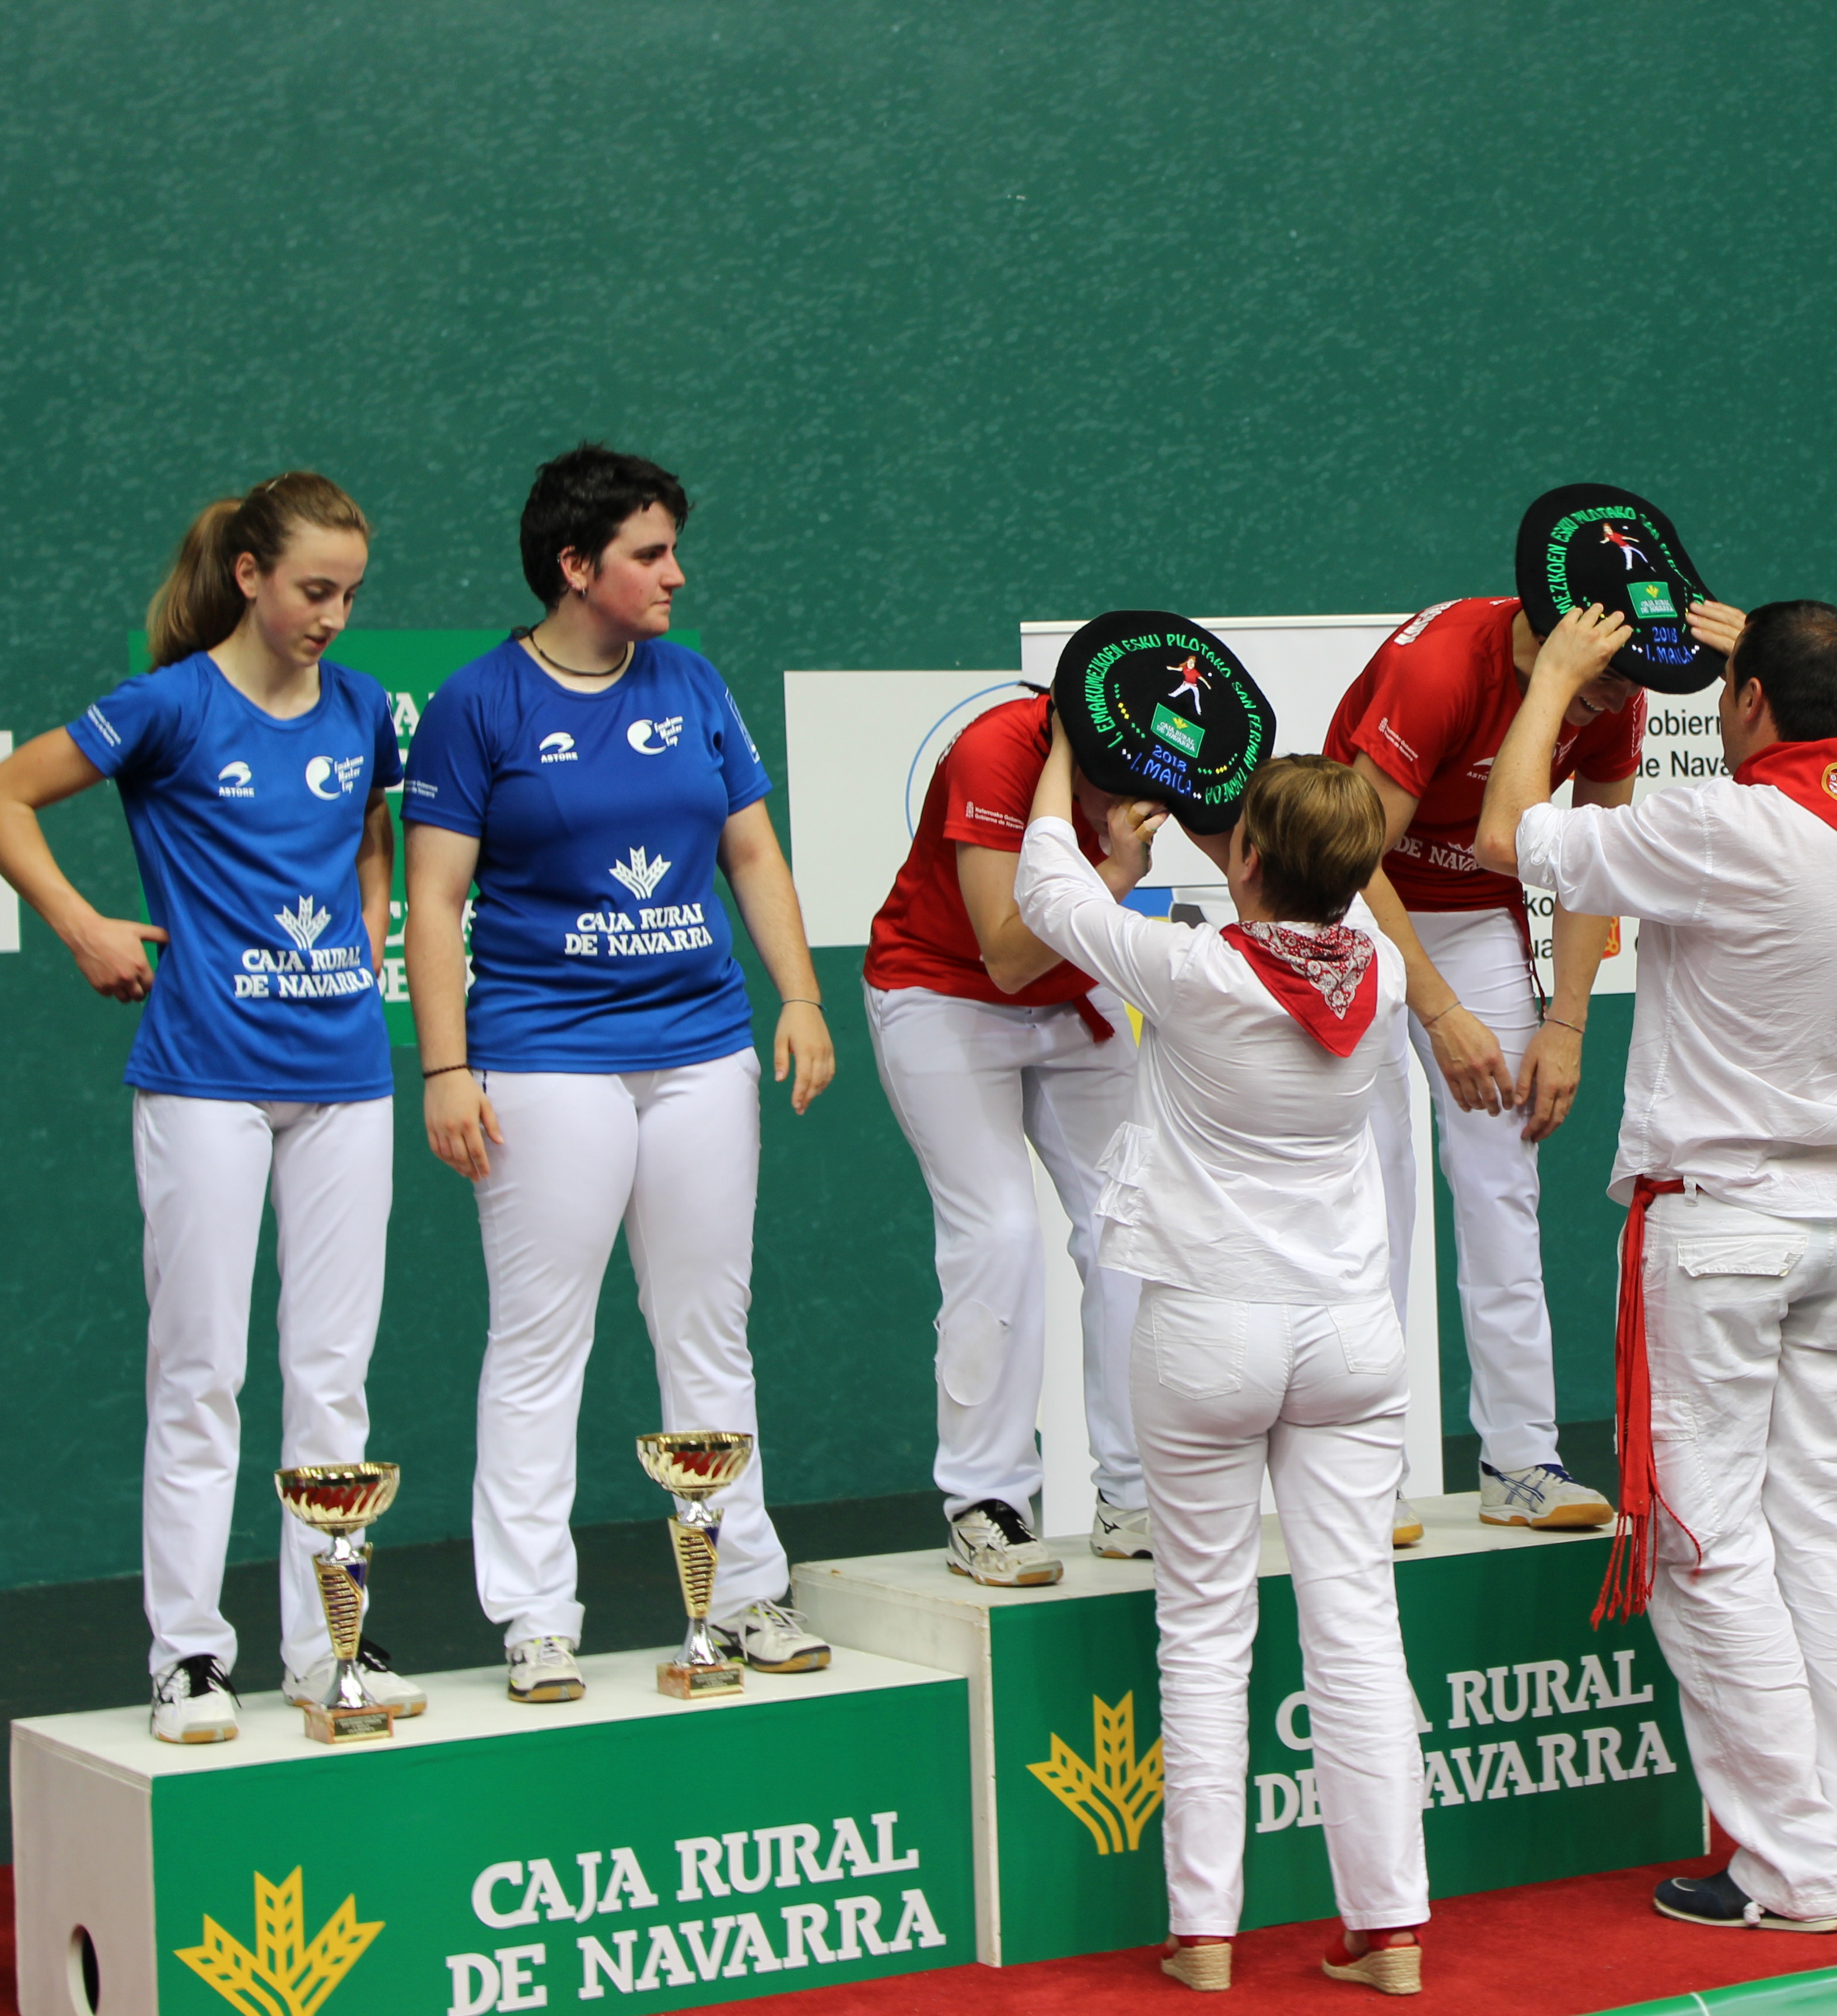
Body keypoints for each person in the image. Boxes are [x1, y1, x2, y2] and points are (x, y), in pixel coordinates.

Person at [1477, 596, 1837, 1936]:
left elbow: (1509, 836)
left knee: (1708, 1542)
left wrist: (1557, 677)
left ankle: (1791, 1869)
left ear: (1745, 702)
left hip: (1726, 1231)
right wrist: (1775, 666)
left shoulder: (1718, 826)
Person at [0, 471, 417, 1744]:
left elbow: (370, 831)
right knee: (202, 1374)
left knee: (333, 1379)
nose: (333, 617)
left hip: (344, 1080)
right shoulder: (167, 705)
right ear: (249, 576)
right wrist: (83, 925)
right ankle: (190, 1660)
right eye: (314, 591)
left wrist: (369, 924)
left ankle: (329, 1650)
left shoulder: (363, 708)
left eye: (351, 596)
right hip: (205, 1077)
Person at [403, 443, 837, 1705]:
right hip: (545, 1058)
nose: (676, 575)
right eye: (650, 554)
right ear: (576, 566)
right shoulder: (480, 704)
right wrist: (445, 1065)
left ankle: (743, 1593)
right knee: (542, 1342)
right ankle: (537, 1618)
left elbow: (752, 855)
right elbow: (433, 901)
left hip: (701, 1050)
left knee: (710, 1331)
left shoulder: (692, 682)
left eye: (673, 550)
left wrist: (799, 997)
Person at [1013, 730, 1429, 1997]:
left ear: (1242, 856)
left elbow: (1046, 889)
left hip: (1207, 1332)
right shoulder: (1388, 976)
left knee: (1203, 1628)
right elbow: (1309, 903)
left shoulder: (1194, 968)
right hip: (1349, 1335)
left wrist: (1069, 747)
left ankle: (1203, 1935)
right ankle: (1391, 1935)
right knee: (1358, 1624)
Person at [1321, 596, 1631, 1534]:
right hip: (1355, 912)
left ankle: (1522, 1462)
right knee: (1374, 1195)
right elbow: (1352, 861)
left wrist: (1566, 1023)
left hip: (1476, 919)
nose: (1608, 707)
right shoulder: (1439, 670)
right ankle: (1362, 1478)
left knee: (1503, 1182)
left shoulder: (1620, 688)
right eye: (1596, 690)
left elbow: (1593, 862)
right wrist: (1439, 1008)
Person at [864, 690, 1154, 1587]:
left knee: (1134, 1225)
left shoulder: (1164, 742)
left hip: (1073, 992)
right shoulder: (995, 752)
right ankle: (984, 1505)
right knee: (999, 1234)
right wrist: (1115, 873)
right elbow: (1008, 955)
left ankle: (1138, 1495)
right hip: (943, 990)